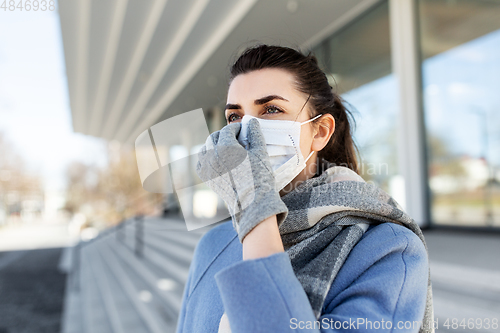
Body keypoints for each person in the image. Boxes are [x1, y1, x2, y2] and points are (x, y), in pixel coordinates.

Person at [176, 44, 434, 333]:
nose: (245, 131)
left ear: (320, 131)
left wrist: (255, 208)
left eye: (271, 109)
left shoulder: (388, 249)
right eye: (235, 117)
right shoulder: (213, 244)